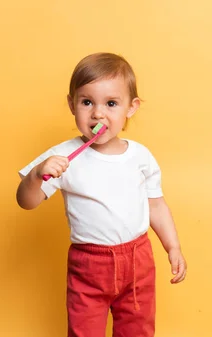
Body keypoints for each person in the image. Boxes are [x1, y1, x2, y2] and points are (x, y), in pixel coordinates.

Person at [15, 52, 187, 337]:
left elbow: (156, 206)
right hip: (89, 265)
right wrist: (36, 175)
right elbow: (26, 202)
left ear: (131, 108)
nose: (97, 113)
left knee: (138, 329)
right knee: (84, 331)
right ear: (72, 105)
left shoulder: (140, 156)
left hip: (138, 260)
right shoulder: (62, 156)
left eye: (111, 103)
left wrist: (173, 247)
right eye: (86, 102)